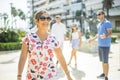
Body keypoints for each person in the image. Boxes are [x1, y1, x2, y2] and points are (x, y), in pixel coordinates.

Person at [17, 10, 72, 80]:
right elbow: (23, 57)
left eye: (48, 18)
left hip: (50, 75)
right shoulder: (28, 38)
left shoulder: (53, 39)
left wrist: (68, 75)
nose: (46, 21)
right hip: (33, 76)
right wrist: (19, 76)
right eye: (43, 18)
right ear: (36, 21)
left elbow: (60, 57)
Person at [88, 10, 112, 80]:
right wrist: (92, 39)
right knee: (102, 61)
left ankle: (106, 77)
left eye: (99, 14)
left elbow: (110, 33)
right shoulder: (99, 24)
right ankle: (104, 73)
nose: (98, 16)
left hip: (105, 45)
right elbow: (98, 34)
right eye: (97, 15)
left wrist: (105, 36)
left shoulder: (107, 23)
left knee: (105, 62)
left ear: (103, 14)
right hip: (100, 45)